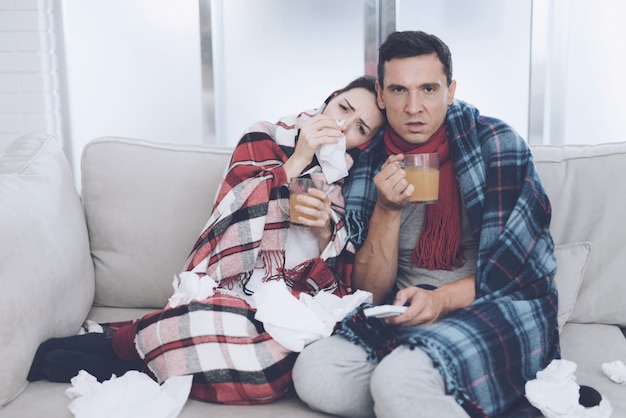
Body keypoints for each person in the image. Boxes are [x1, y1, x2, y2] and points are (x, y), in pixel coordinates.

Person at [27, 76, 385, 405]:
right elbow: (229, 215)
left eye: (359, 128)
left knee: (273, 369)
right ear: (331, 99)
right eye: (344, 109)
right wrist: (299, 159)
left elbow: (342, 273)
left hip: (289, 298)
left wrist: (325, 231)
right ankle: (145, 349)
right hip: (233, 284)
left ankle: (129, 356)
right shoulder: (262, 136)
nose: (342, 127)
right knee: (213, 317)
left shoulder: (352, 184)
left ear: (366, 142)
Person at [292, 31, 559, 418]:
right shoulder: (366, 165)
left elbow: (522, 273)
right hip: (401, 312)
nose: (414, 107)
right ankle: (429, 391)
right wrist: (387, 209)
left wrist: (440, 300)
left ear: (450, 91)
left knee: (399, 380)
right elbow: (367, 290)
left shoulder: (497, 145)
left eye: (429, 89)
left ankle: (411, 385)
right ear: (381, 97)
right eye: (399, 91)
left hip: (492, 306)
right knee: (317, 375)